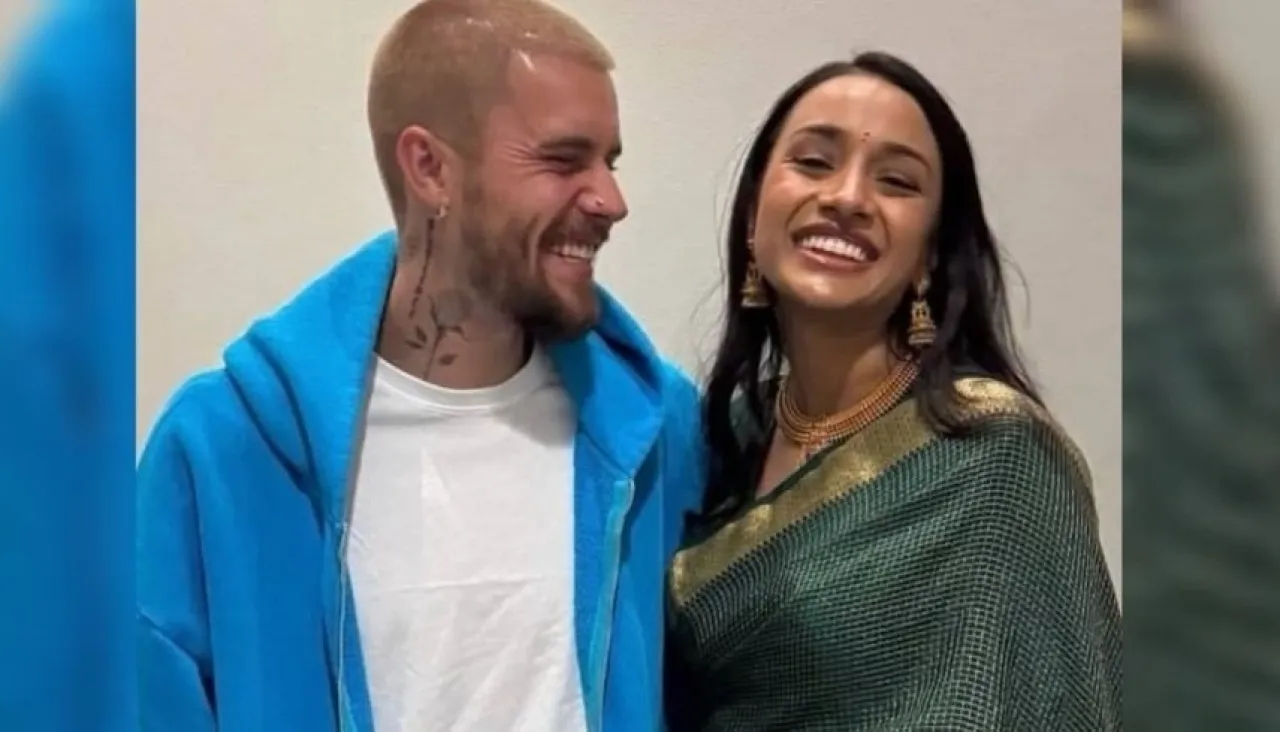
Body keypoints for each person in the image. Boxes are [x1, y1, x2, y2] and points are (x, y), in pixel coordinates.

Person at [136, 1, 704, 730]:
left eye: (610, 162)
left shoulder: (653, 433)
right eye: (564, 160)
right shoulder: (222, 451)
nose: (611, 200)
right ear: (430, 168)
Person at [664, 51, 1122, 730]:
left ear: (928, 257)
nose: (847, 198)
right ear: (755, 214)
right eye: (814, 162)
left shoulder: (994, 456)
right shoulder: (723, 437)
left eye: (897, 182)